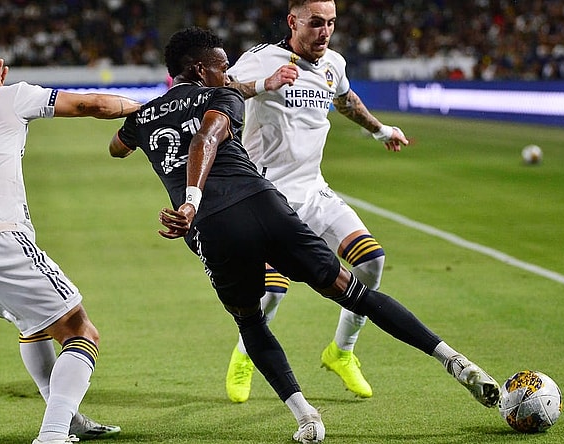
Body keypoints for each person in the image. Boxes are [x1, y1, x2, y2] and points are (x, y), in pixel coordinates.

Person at [108, 26, 499, 444]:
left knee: (250, 321)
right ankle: (453, 360)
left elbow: (117, 147)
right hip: (263, 204)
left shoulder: (144, 115)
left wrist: (149, 124)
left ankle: (307, 417)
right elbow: (207, 135)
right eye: (223, 68)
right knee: (352, 292)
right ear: (202, 70)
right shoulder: (221, 97)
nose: (229, 75)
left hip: (211, 228)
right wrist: (190, 196)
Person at [0, 42, 140, 444]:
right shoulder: (10, 94)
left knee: (33, 324)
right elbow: (92, 104)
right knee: (80, 330)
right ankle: (54, 433)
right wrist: (148, 106)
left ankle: (67, 418)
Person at [220, 0, 410, 403]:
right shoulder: (260, 59)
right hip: (267, 195)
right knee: (270, 293)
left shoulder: (333, 64)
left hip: (314, 189)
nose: (325, 31)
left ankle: (341, 351)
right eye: (316, 23)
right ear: (293, 22)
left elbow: (344, 99)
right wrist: (262, 85)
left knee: (371, 261)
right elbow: (217, 88)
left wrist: (379, 130)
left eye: (331, 23)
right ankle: (244, 354)